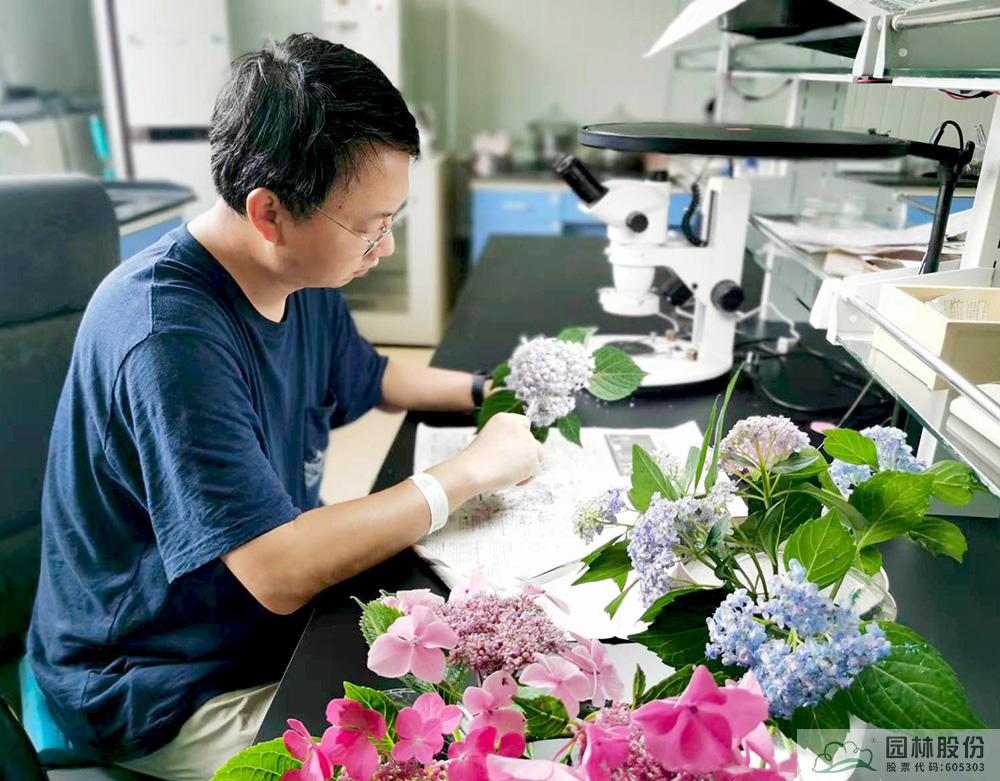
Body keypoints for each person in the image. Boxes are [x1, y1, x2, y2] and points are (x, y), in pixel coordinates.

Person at [27, 33, 543, 781]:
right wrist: (464, 473)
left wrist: (486, 392)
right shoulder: (166, 335)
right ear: (269, 213)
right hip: (161, 680)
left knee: (491, 680)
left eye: (392, 221)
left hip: (256, 623)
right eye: (370, 227)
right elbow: (278, 569)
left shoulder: (295, 273)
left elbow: (371, 375)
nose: (385, 249)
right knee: (441, 751)